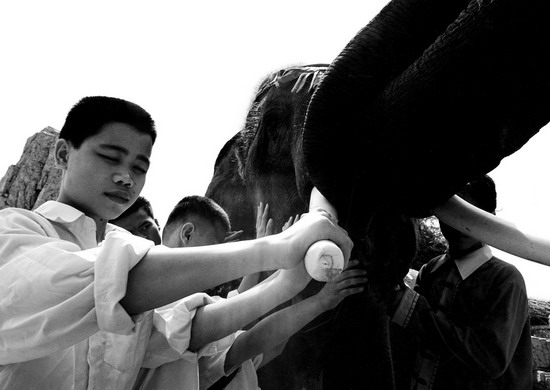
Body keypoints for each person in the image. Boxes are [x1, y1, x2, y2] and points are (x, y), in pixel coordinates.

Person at [0, 95, 353, 389]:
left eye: (140, 167)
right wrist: (278, 249)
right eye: (110, 157)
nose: (126, 177)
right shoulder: (14, 231)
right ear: (63, 154)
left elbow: (189, 333)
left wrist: (287, 281)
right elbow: (108, 283)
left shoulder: (131, 258)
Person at [160, 195, 367, 389]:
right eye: (216, 247)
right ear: (187, 233)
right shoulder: (160, 307)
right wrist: (314, 297)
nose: (219, 255)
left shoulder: (188, 301)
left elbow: (267, 344)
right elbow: (248, 342)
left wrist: (274, 264)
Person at [390, 175, 532, 389]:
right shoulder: (430, 270)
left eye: (472, 216)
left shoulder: (506, 280)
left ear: (490, 219)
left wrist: (409, 307)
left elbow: (490, 360)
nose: (460, 226)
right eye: (454, 215)